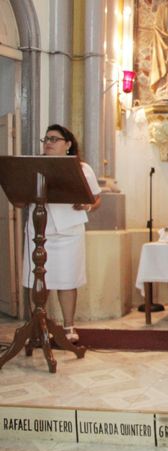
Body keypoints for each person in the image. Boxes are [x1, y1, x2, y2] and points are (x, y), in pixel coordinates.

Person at [22, 125, 102, 343]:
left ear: (68, 145)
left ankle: (68, 327)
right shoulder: (33, 166)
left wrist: (86, 206)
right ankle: (38, 327)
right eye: (46, 138)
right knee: (38, 279)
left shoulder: (82, 168)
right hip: (39, 230)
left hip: (69, 231)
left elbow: (96, 198)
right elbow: (20, 195)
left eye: (54, 139)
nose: (48, 142)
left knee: (67, 280)